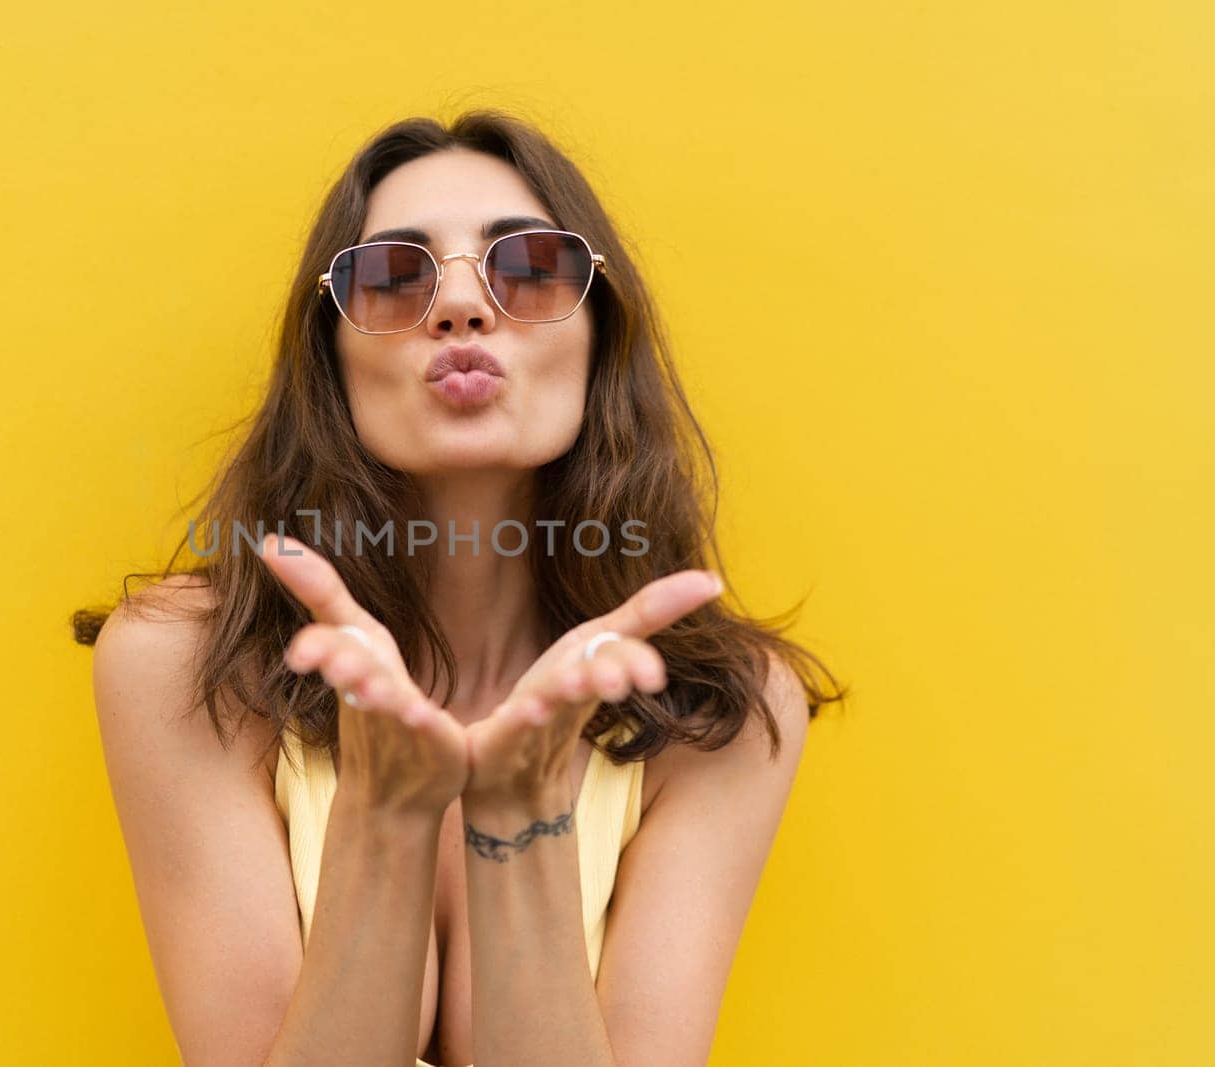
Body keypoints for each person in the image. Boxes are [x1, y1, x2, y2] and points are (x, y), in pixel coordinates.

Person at [73, 109, 845, 1067]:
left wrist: (521, 821)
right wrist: (384, 820)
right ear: (333, 358)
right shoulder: (186, 668)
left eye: (526, 266)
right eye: (395, 277)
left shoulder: (719, 712)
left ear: (602, 333)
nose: (462, 307)